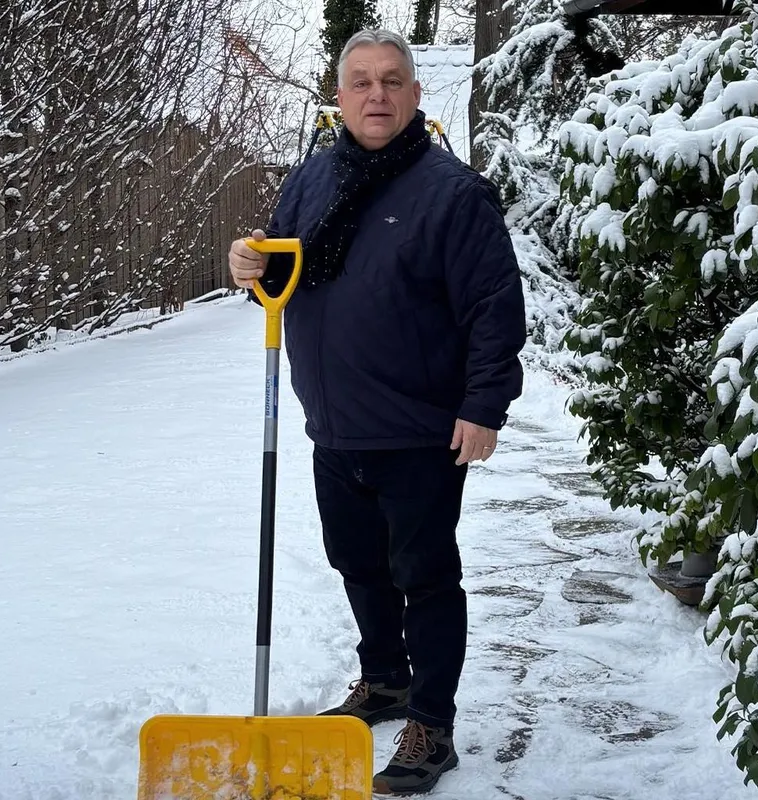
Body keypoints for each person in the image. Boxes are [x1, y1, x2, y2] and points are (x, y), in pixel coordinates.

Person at [226, 27, 526, 797]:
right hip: (334, 424)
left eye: (392, 81)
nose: (377, 95)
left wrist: (484, 404)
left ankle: (432, 720)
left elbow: (494, 306)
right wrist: (248, 266)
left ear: (416, 95)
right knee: (357, 563)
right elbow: (281, 272)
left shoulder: (452, 192)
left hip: (421, 428)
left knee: (423, 576)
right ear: (339, 93)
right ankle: (385, 680)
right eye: (360, 81)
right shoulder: (312, 179)